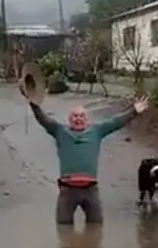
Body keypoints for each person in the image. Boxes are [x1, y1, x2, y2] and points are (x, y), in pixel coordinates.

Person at [27, 95, 150, 225]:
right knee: (63, 228)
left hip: (90, 189)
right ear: (69, 119)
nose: (78, 119)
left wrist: (134, 111)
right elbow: (43, 120)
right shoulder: (59, 131)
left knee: (96, 226)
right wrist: (33, 102)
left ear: (87, 119)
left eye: (81, 116)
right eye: (75, 116)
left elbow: (115, 122)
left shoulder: (97, 130)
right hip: (67, 189)